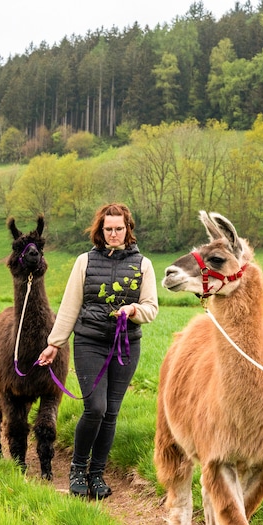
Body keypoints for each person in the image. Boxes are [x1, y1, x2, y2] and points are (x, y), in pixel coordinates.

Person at [38, 202, 159, 499]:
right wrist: (54, 344)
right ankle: (78, 469)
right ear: (100, 231)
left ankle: (97, 474)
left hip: (126, 346)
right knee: (95, 407)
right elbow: (70, 306)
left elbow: (151, 308)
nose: (113, 234)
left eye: (118, 228)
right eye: (108, 229)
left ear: (128, 229)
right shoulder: (85, 262)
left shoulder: (143, 264)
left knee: (111, 413)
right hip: (90, 342)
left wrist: (132, 310)